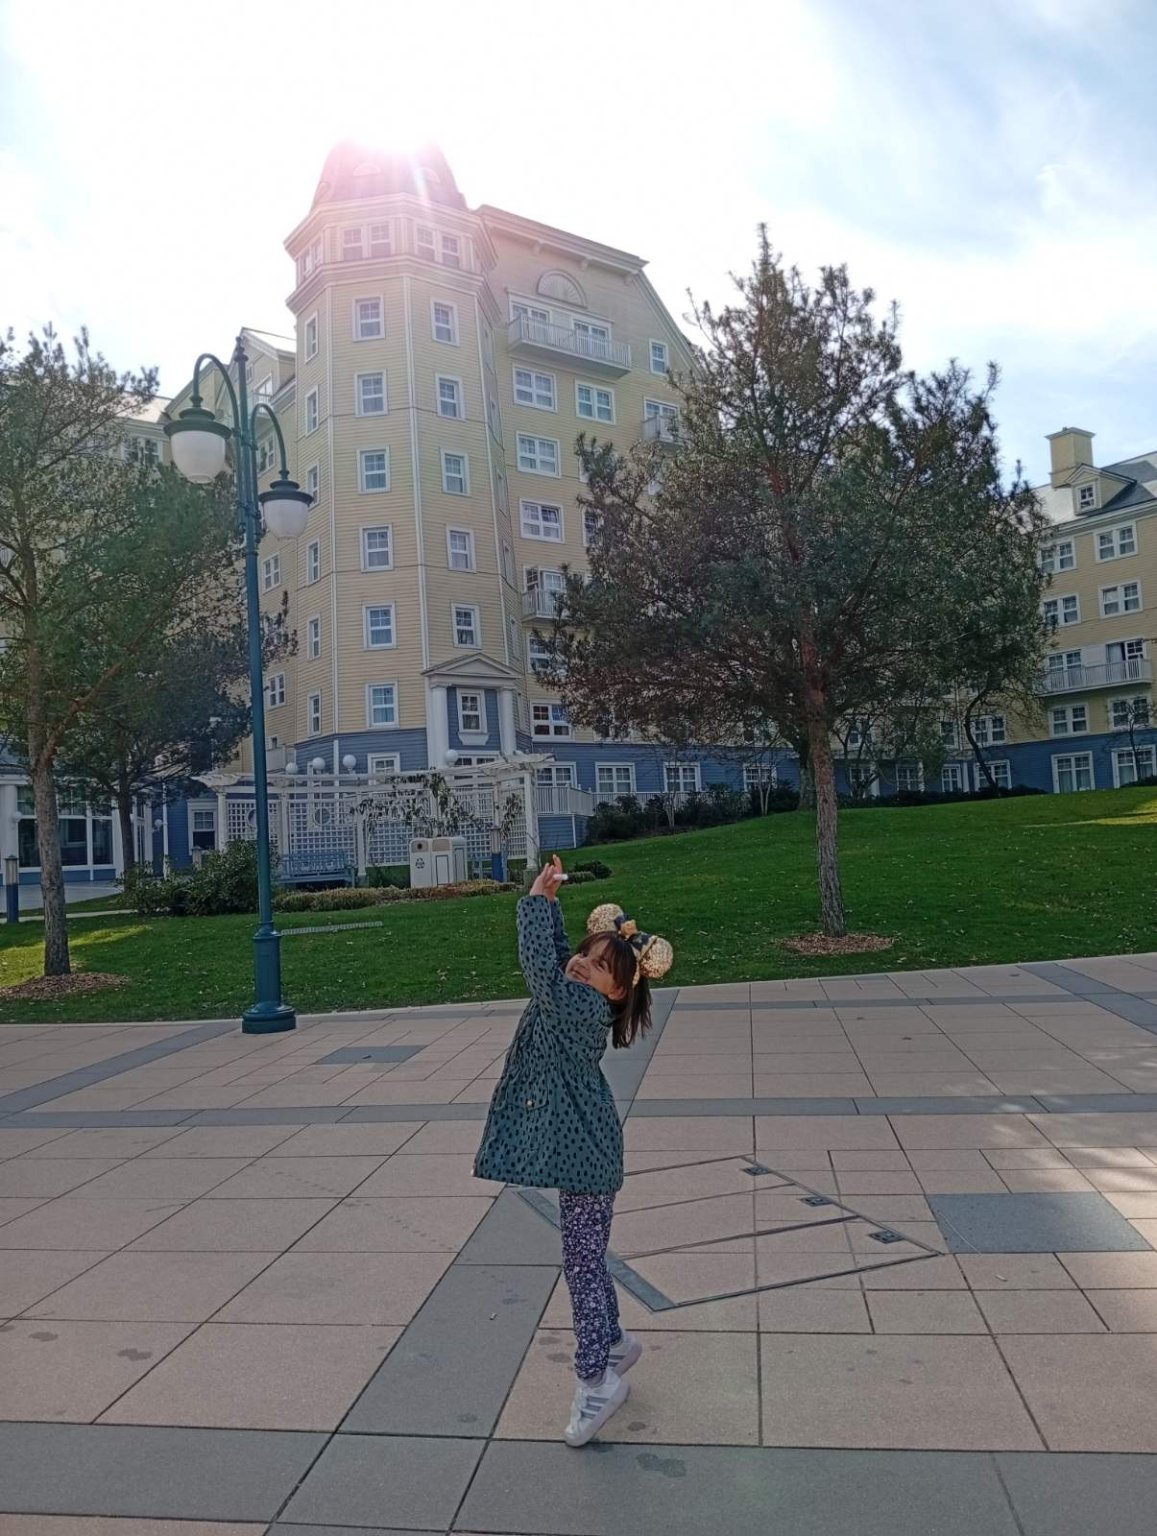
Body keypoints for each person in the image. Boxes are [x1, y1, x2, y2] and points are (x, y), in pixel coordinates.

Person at [474, 855, 673, 1447]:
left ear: (619, 991)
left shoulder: (582, 1007)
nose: (583, 964)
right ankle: (612, 1342)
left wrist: (536, 904)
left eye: (601, 966)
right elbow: (560, 962)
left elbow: (543, 970)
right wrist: (554, 908)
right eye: (585, 955)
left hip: (586, 1157)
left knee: (581, 1265)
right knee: (587, 1257)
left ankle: (596, 1380)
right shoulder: (580, 991)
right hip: (584, 1151)